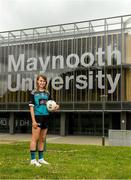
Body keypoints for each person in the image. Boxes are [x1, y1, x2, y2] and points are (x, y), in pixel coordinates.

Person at [29, 74, 59, 167]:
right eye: (40, 80)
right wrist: (33, 120)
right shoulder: (33, 93)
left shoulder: (47, 93)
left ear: (46, 82)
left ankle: (41, 159)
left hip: (46, 117)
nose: (42, 82)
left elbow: (51, 105)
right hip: (37, 117)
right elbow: (31, 108)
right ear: (37, 81)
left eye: (44, 81)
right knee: (35, 139)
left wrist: (56, 107)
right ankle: (33, 160)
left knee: (42, 139)